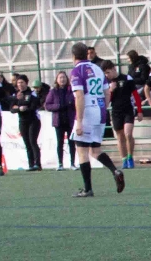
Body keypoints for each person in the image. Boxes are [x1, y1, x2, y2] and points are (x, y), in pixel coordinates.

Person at [68, 43, 125, 196]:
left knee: (82, 151)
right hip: (100, 110)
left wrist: (79, 121)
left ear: (73, 56)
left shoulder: (77, 71)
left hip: (87, 110)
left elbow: (79, 96)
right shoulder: (98, 69)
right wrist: (103, 109)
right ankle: (115, 170)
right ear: (87, 54)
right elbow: (107, 93)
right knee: (95, 150)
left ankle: (88, 189)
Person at [105, 60, 138, 169]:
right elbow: (107, 101)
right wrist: (111, 90)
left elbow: (136, 95)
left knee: (128, 134)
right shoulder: (107, 83)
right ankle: (124, 159)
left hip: (128, 110)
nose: (107, 75)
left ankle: (130, 157)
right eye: (105, 73)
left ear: (113, 69)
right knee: (120, 137)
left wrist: (140, 111)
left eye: (108, 72)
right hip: (116, 112)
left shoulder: (127, 78)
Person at [8, 74, 44, 170]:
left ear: (26, 83)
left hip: (33, 120)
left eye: (22, 82)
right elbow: (12, 109)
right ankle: (31, 164)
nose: (20, 84)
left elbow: (34, 106)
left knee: (33, 141)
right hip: (22, 121)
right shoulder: (16, 95)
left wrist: (24, 108)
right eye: (18, 82)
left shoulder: (32, 94)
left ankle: (38, 164)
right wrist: (19, 108)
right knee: (27, 143)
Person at [43, 70, 76, 170]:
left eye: (64, 77)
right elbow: (47, 105)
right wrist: (58, 106)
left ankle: (72, 163)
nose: (62, 79)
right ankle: (60, 164)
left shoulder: (71, 90)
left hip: (70, 120)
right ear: (57, 80)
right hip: (59, 121)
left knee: (72, 142)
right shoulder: (53, 91)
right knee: (60, 143)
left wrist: (72, 104)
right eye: (60, 78)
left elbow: (77, 102)